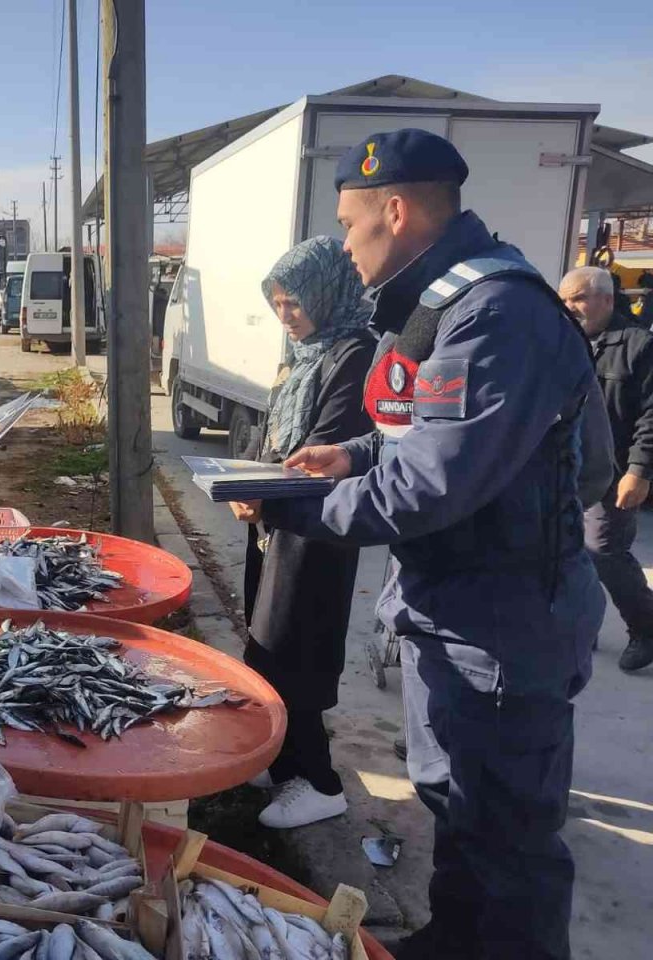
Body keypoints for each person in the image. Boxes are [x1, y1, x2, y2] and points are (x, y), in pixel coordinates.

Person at [229, 130, 613, 960]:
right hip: (454, 610)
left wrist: (291, 505)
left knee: (507, 842)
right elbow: (420, 439)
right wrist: (350, 455)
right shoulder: (443, 304)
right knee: (455, 808)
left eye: (349, 222)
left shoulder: (495, 313)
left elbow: (433, 484)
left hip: (503, 625)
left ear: (395, 211)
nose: (343, 243)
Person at [232, 236, 374, 829]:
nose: (286, 318)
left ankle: (319, 780)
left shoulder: (354, 353)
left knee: (300, 650)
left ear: (327, 294)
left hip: (318, 529)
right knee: (266, 644)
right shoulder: (309, 352)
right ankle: (282, 757)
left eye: (294, 304)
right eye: (278, 305)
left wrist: (264, 491)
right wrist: (246, 486)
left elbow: (328, 447)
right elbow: (272, 436)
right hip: (278, 523)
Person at [560, 266, 653, 673]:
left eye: (578, 298)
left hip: (613, 473)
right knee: (565, 549)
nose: (570, 307)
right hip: (566, 468)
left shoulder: (638, 346)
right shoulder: (565, 341)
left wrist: (639, 469)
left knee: (603, 550)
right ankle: (583, 624)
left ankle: (646, 627)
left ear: (607, 300)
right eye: (564, 299)